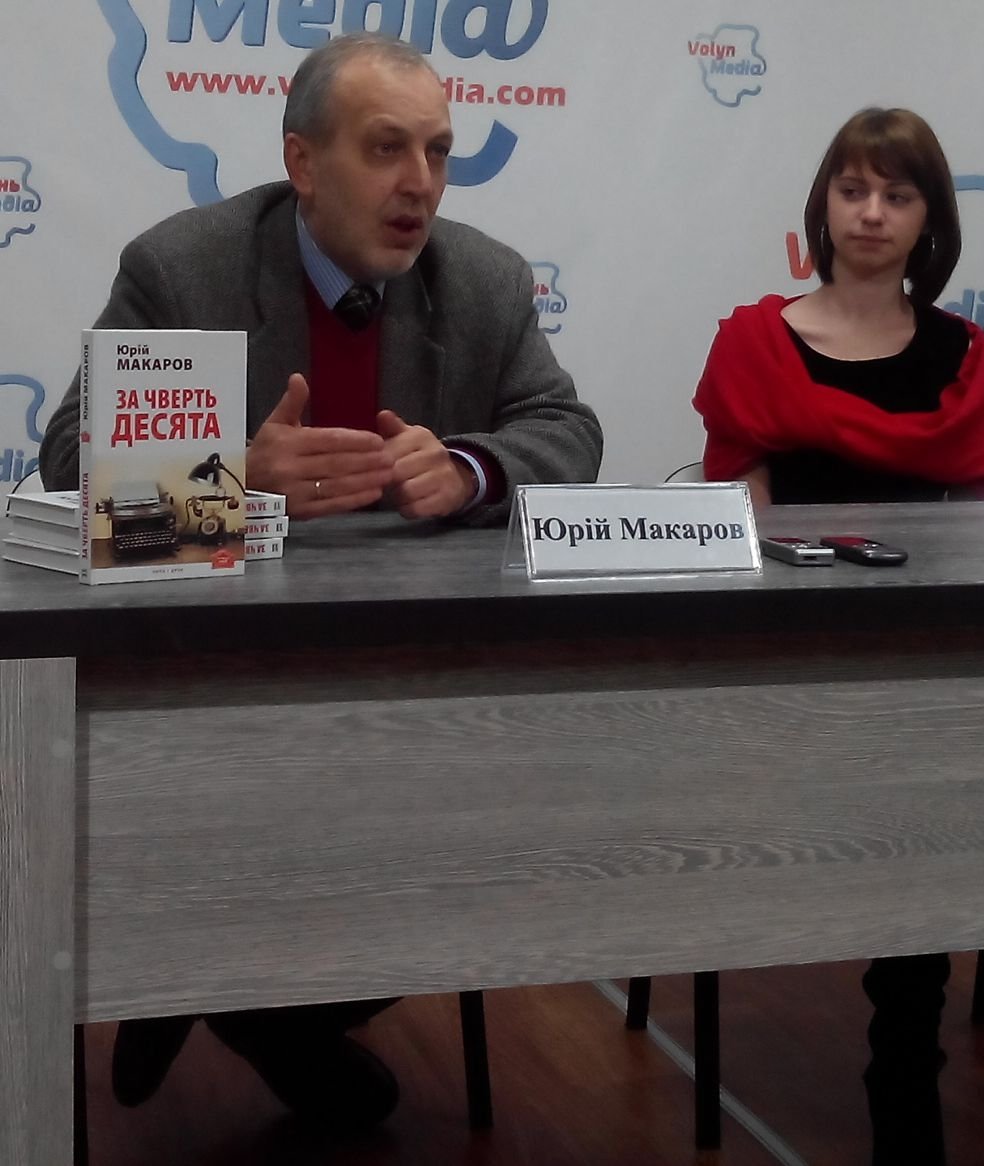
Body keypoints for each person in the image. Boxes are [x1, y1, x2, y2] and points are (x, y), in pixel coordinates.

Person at [40, 31, 602, 1131]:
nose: (421, 183)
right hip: (215, 686)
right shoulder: (184, 269)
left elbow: (565, 429)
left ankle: (220, 995)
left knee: (501, 841)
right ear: (301, 160)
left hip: (414, 688)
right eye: (387, 148)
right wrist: (230, 475)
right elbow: (70, 463)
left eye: (438, 151)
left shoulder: (482, 278)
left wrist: (469, 468)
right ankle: (230, 987)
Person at [693, 107, 984, 1164]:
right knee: (950, 786)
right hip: (799, 663)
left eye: (896, 194)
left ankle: (905, 1077)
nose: (871, 212)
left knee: (963, 775)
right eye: (853, 189)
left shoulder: (960, 351)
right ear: (822, 204)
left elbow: (977, 536)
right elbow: (742, 528)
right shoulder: (755, 340)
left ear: (929, 219)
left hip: (934, 659)